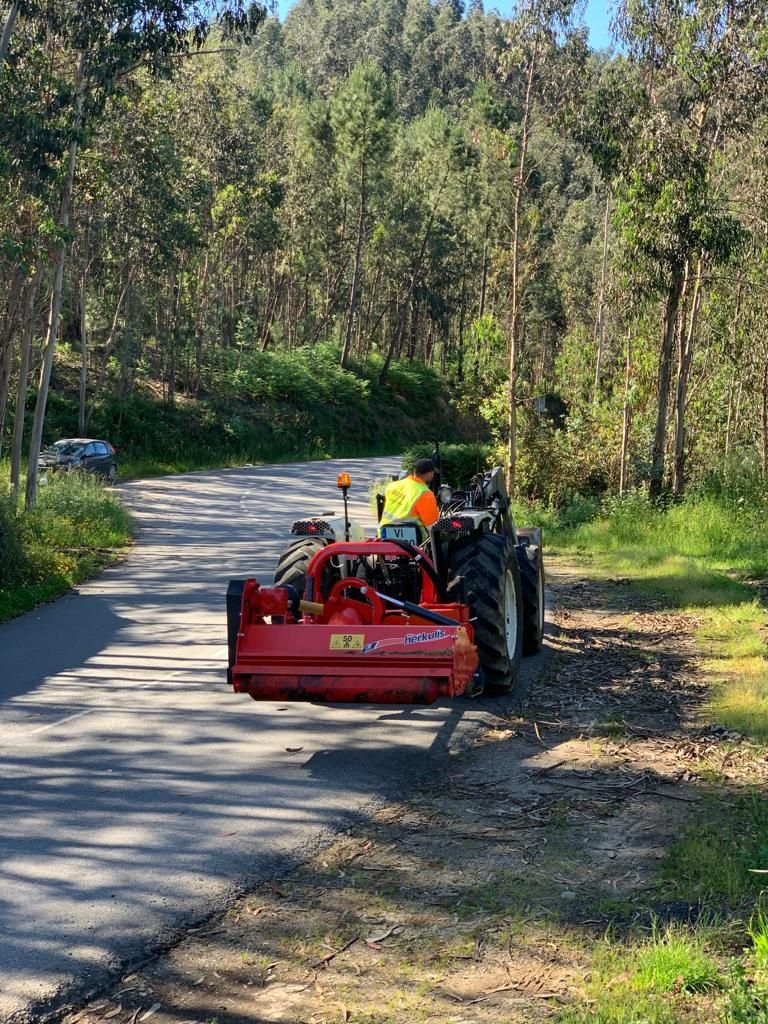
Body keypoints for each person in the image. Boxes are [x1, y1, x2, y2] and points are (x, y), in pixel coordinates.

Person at [379, 457, 440, 538]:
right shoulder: (425, 493)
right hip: (414, 542)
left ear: (415, 471)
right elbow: (432, 527)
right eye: (433, 474)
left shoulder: (392, 486)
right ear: (429, 474)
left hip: (384, 536)